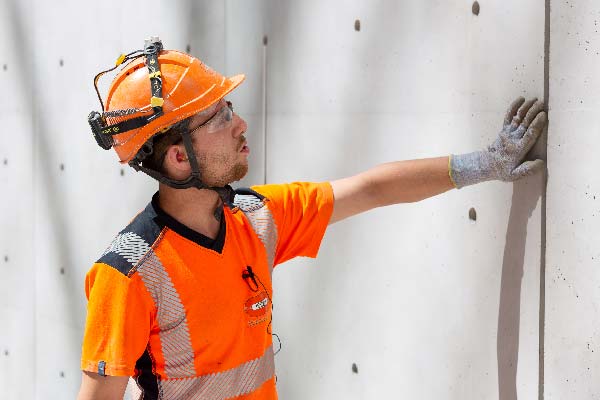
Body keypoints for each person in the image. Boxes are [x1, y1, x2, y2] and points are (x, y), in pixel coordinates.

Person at [77, 38, 547, 400]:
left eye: (230, 109)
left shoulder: (255, 218)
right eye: (219, 117)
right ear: (180, 158)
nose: (240, 123)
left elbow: (370, 188)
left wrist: (481, 165)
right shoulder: (128, 275)